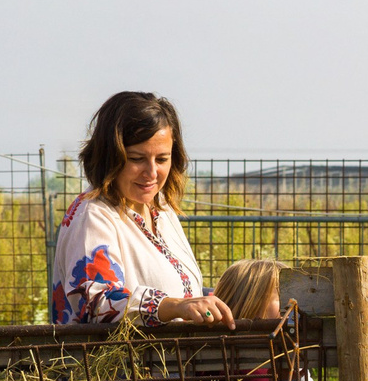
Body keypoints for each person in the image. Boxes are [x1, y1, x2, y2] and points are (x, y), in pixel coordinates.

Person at [50, 91, 232, 328]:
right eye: (137, 158)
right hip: (122, 364)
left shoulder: (162, 210)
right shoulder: (93, 216)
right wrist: (174, 307)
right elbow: (95, 303)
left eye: (162, 159)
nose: (152, 173)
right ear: (109, 156)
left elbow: (181, 294)